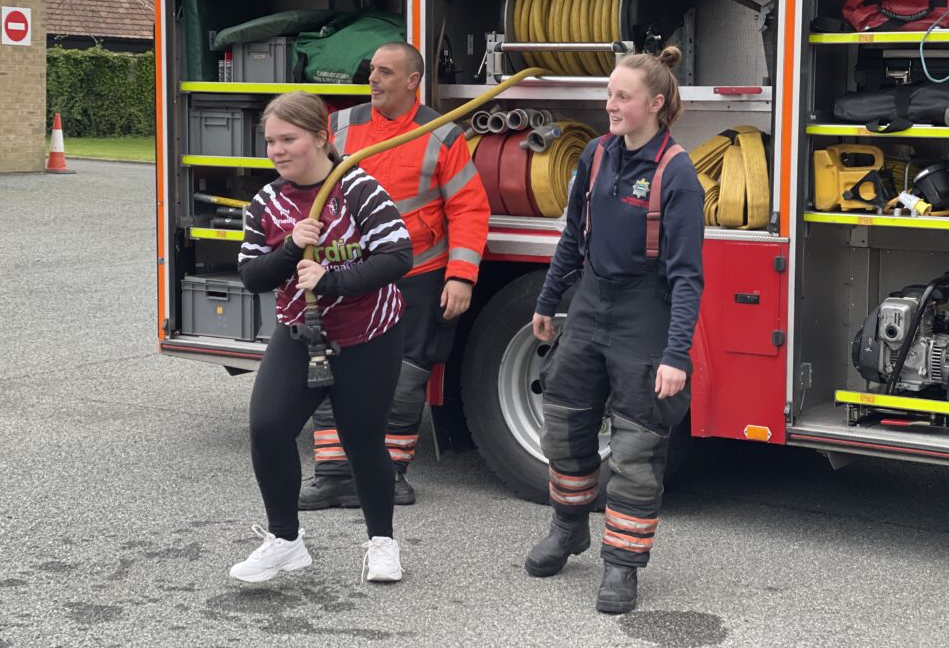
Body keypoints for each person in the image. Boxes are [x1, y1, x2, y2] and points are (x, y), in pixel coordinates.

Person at [524, 47, 704, 614]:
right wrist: (548, 301)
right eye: (609, 95)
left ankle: (622, 566)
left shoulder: (677, 174)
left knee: (636, 449)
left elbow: (687, 278)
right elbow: (572, 240)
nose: (610, 106)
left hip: (643, 316)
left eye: (621, 97)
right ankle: (568, 528)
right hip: (590, 305)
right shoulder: (597, 156)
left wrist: (676, 354)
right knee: (564, 425)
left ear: (655, 104)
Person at [230, 91, 413, 584]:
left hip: (367, 335)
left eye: (288, 139)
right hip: (300, 334)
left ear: (321, 138)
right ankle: (286, 542)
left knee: (362, 440)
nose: (277, 151)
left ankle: (382, 544)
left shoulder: (359, 189)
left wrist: (330, 281)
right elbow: (252, 276)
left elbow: (398, 258)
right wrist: (291, 247)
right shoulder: (267, 202)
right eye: (270, 141)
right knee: (268, 428)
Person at [299, 42, 491, 509]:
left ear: (413, 81)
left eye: (385, 72)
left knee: (405, 378)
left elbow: (468, 207)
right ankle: (331, 475)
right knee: (332, 369)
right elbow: (307, 188)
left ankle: (389, 475)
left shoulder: (442, 135)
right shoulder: (341, 126)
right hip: (348, 271)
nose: (373, 79)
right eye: (371, 70)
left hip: (417, 273)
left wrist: (461, 275)